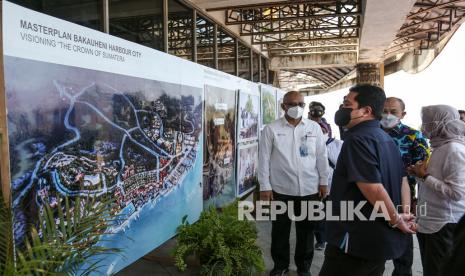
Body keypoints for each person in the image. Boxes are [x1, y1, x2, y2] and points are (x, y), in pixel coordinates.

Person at [319, 84, 415, 276]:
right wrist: (402, 214)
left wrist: (396, 220)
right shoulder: (384, 138)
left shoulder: (358, 140)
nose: (342, 109)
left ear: (366, 111)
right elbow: (402, 180)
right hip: (375, 239)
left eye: (347, 104)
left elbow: (374, 189)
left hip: (355, 239)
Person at [259, 91, 330, 276]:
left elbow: (322, 156)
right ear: (283, 106)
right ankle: (280, 266)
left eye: (300, 103)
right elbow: (263, 159)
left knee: (306, 233)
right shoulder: (271, 129)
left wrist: (324, 181)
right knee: (279, 231)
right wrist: (265, 186)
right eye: (291, 103)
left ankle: (303, 268)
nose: (296, 107)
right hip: (280, 189)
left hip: (310, 189)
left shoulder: (314, 128)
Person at [408, 105, 465, 276]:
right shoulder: (439, 146)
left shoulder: (454, 150)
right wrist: (418, 174)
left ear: (441, 123)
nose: (424, 126)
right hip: (430, 222)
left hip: (444, 224)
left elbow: (458, 194)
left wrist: (425, 177)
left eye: (428, 122)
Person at [381, 97, 430, 276]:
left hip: (404, 197)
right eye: (384, 110)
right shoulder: (370, 133)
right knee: (374, 242)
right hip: (372, 196)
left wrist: (407, 171)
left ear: (403, 114)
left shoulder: (413, 135)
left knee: (403, 245)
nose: (388, 115)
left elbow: (423, 167)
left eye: (393, 111)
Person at [308, 102, 344, 251]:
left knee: (331, 213)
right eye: (314, 111)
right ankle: (320, 239)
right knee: (317, 214)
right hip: (313, 184)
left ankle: (331, 238)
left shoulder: (338, 144)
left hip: (333, 185)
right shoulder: (306, 138)